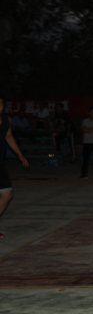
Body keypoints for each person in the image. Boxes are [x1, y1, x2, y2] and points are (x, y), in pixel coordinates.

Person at [0, 96, 30, 238]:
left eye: (1, 103)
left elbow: (9, 136)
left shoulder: (6, 119)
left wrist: (20, 155)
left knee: (7, 195)